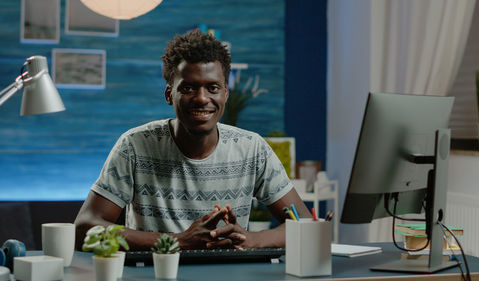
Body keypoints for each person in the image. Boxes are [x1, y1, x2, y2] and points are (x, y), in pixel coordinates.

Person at [74, 29, 311, 251]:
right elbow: (85, 227)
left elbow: (305, 224)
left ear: (225, 94)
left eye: (213, 88)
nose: (201, 98)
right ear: (169, 95)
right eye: (188, 88)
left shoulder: (252, 149)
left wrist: (251, 239)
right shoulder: (134, 146)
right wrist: (178, 241)